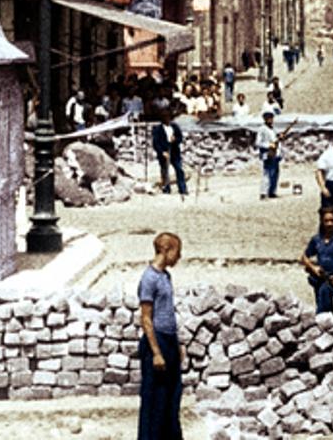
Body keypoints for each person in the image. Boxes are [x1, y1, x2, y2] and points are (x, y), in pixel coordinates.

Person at [137, 232, 184, 440]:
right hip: (156, 343)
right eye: (177, 251)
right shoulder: (148, 279)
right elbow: (146, 318)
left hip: (169, 341)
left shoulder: (166, 276)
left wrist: (177, 344)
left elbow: (168, 311)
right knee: (155, 400)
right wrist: (156, 352)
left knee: (172, 397)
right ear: (166, 250)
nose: (179, 257)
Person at [151, 110, 188, 195]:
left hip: (174, 151)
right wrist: (162, 152)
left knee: (179, 169)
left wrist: (175, 140)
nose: (168, 120)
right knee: (165, 171)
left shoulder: (174, 127)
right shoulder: (158, 129)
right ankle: (166, 188)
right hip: (164, 151)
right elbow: (156, 143)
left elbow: (180, 137)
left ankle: (182, 189)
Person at [255, 109, 284, 199]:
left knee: (275, 173)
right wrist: (268, 145)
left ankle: (272, 191)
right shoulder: (262, 129)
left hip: (275, 154)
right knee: (267, 173)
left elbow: (276, 140)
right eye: (268, 118)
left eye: (271, 118)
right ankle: (263, 192)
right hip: (267, 154)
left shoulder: (274, 129)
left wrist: (280, 137)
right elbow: (258, 142)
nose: (271, 120)